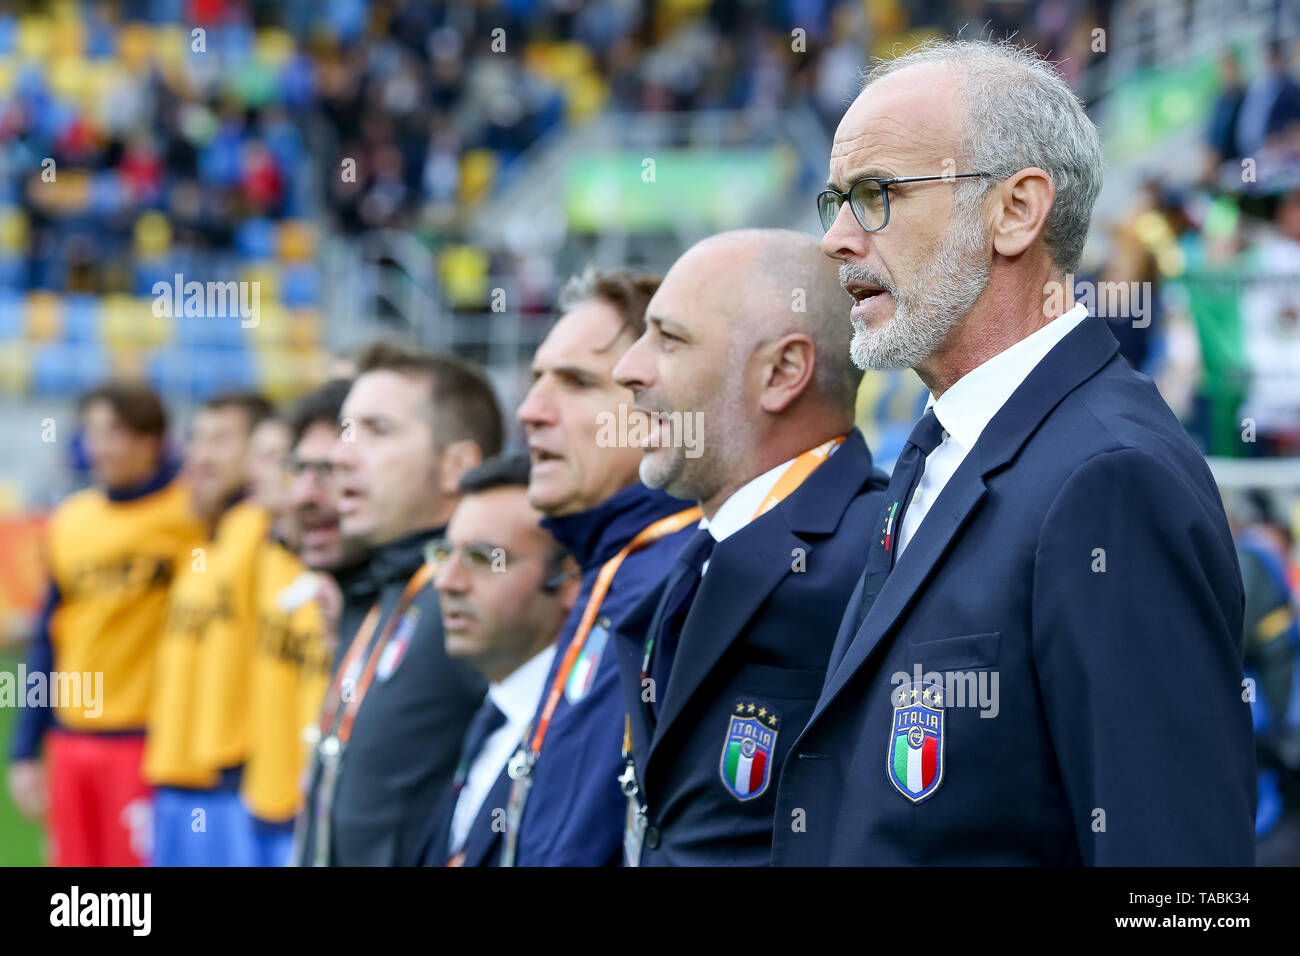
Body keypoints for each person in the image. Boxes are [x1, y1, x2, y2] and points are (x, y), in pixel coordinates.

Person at [773, 38, 1254, 865]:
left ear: (1017, 211)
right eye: (835, 200)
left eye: (876, 194)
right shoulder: (944, 443)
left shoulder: (1111, 478)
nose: (836, 239)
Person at [610, 229, 888, 865]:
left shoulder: (880, 557)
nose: (628, 368)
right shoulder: (698, 551)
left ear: (783, 372)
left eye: (669, 338)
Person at [509, 268, 697, 866]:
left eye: (576, 383)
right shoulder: (616, 565)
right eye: (538, 379)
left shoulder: (686, 579)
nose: (530, 411)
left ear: (660, 399)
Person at [296, 342, 500, 866]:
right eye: (347, 432)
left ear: (457, 464)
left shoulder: (481, 592)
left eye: (377, 430)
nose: (341, 456)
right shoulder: (382, 583)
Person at [7, 383, 201, 866]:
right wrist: (25, 748)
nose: (99, 447)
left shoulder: (189, 517)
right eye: (91, 432)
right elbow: (47, 637)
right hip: (72, 740)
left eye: (115, 432)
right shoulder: (72, 521)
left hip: (147, 742)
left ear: (152, 440)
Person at [415, 455, 578, 866]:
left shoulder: (582, 735)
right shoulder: (493, 715)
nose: (446, 581)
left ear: (569, 578)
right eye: (444, 554)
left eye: (484, 558)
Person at [144, 391, 274, 867]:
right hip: (172, 774)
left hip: (229, 787)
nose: (200, 455)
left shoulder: (264, 530)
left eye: (220, 440)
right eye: (196, 439)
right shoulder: (202, 537)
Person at [238, 411, 335, 866]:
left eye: (281, 459)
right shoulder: (255, 548)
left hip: (318, 814)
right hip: (260, 796)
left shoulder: (347, 571)